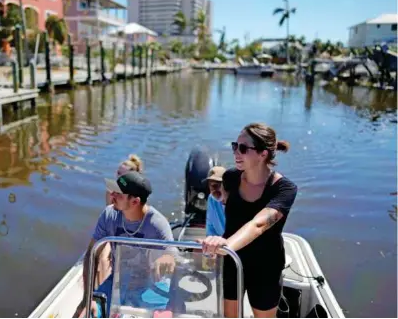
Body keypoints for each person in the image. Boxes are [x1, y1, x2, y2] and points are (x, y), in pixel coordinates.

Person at [198, 123, 298, 318]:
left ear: (263, 154)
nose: (237, 153)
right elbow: (230, 212)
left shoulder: (284, 189)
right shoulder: (229, 178)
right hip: (232, 261)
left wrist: (225, 244)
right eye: (235, 146)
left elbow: (258, 225)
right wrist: (214, 240)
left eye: (243, 148)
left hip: (266, 266)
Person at [80, 171, 176, 317]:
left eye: (118, 194)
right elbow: (91, 255)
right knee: (84, 314)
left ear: (135, 202)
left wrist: (167, 258)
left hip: (151, 286)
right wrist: (88, 299)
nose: (112, 196)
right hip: (117, 282)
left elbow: (172, 252)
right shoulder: (109, 215)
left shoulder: (157, 223)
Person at [98, 154, 144, 286]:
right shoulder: (111, 191)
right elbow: (109, 217)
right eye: (118, 173)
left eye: (123, 176)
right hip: (114, 231)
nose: (119, 178)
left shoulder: (140, 195)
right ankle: (101, 292)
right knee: (102, 256)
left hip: (133, 234)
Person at [205, 166, 226, 237]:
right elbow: (210, 226)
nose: (213, 189)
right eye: (211, 185)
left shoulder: (238, 201)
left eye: (217, 185)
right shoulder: (211, 199)